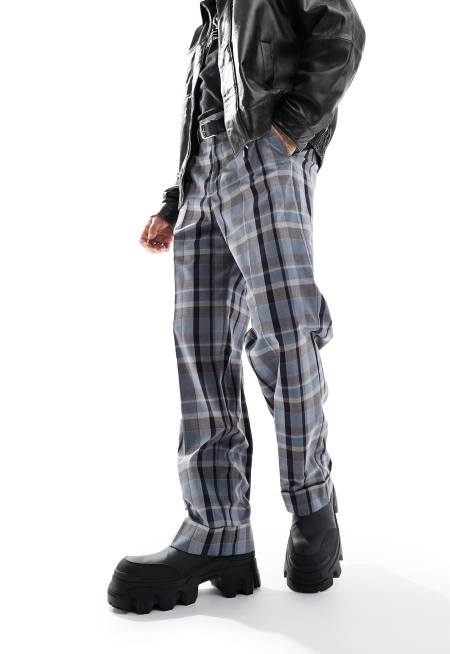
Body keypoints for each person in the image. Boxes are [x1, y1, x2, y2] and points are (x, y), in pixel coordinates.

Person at [108, 0, 365, 614]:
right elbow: (208, 106)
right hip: (203, 177)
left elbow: (343, 32)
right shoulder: (208, 23)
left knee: (283, 330)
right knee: (200, 352)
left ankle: (313, 507)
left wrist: (287, 132)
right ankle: (217, 532)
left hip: (264, 155)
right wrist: (174, 201)